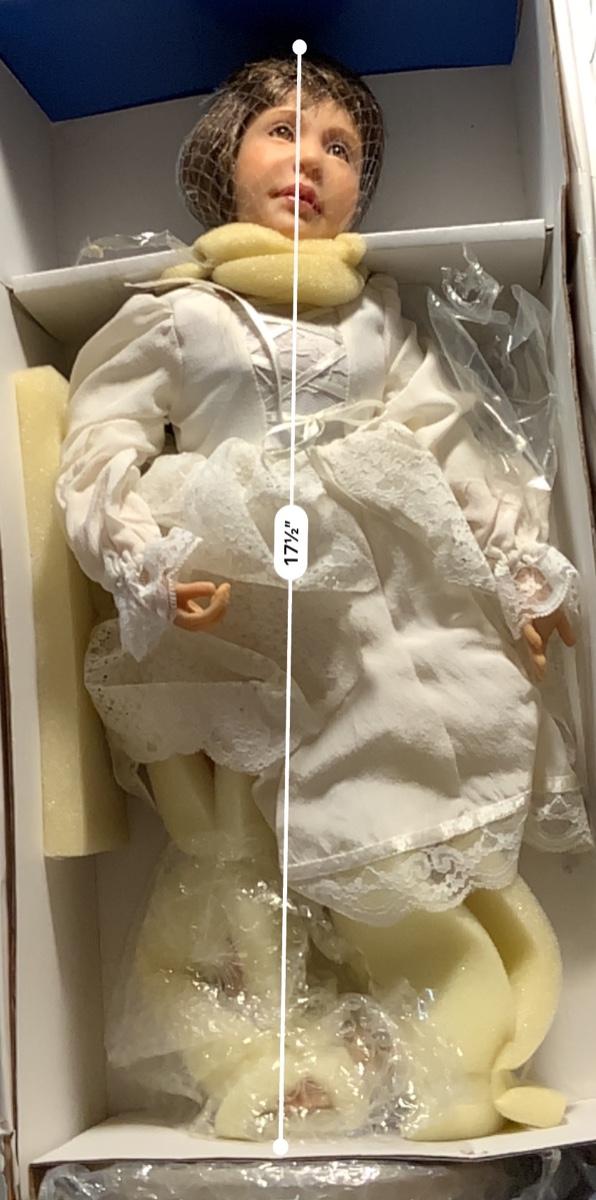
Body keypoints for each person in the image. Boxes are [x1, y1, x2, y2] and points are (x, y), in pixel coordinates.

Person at [55, 55, 591, 1138]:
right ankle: (277, 1050)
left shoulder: (375, 323)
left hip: (380, 605)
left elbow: (451, 447)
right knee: (242, 831)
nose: (310, 162)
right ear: (225, 162)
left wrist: (518, 572)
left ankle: (455, 1047)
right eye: (282, 134)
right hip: (239, 595)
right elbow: (100, 445)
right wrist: (148, 559)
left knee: (405, 786)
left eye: (339, 149)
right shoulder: (179, 316)